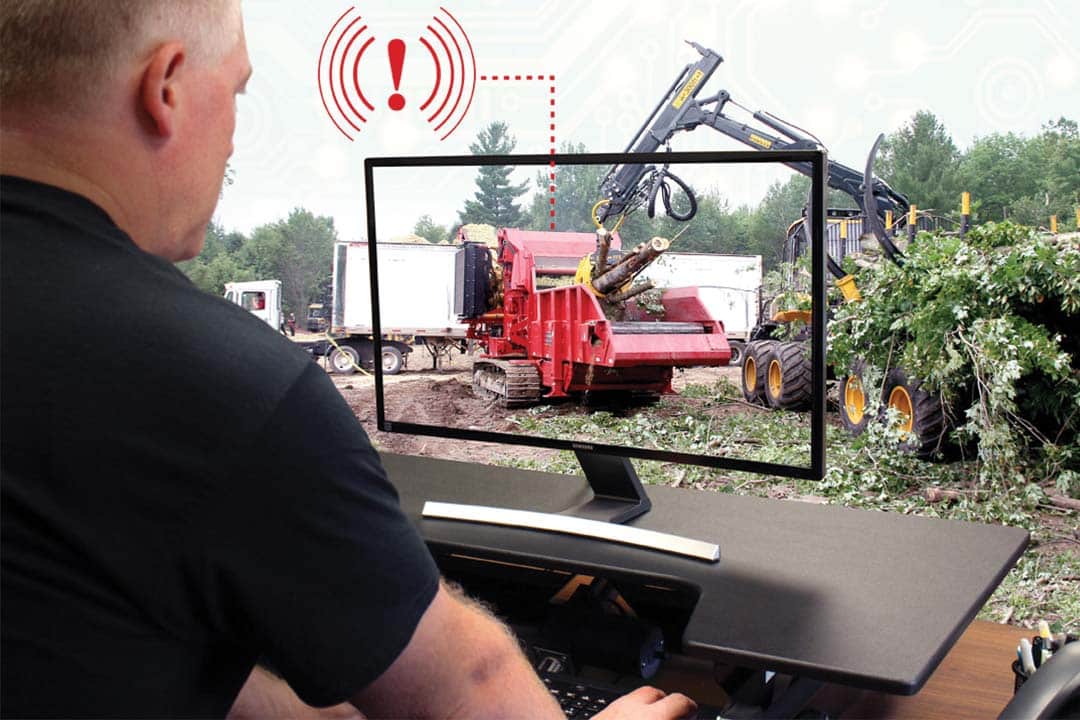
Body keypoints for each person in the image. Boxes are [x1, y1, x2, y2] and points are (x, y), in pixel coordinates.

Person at [0, 2, 697, 718]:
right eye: (236, 92)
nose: (235, 143)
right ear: (167, 89)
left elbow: (158, 656)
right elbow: (471, 682)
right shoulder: (219, 391)